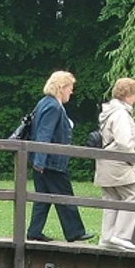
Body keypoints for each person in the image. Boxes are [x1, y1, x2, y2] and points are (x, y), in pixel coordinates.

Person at [26, 71, 93, 243]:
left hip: (41, 161)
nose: (72, 92)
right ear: (62, 88)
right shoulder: (53, 107)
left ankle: (34, 231)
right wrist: (40, 161)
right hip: (51, 162)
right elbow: (44, 134)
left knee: (43, 197)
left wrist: (37, 162)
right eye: (70, 88)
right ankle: (75, 232)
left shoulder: (44, 103)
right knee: (64, 195)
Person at [94, 78, 135, 250]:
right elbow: (124, 142)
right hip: (120, 165)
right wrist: (133, 160)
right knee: (133, 197)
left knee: (112, 199)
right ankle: (121, 235)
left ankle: (107, 238)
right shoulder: (121, 114)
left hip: (106, 164)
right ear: (128, 95)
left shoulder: (109, 112)